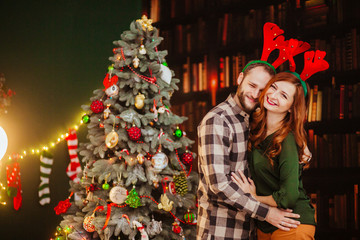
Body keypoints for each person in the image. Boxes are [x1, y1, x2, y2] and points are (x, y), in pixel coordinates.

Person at [197, 62, 301, 240]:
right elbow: (219, 185)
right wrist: (267, 213)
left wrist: (302, 147)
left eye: (262, 90)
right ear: (240, 78)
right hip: (222, 230)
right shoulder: (218, 120)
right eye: (252, 85)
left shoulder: (256, 120)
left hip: (251, 230)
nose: (255, 94)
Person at [231, 71, 317, 239]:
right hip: (265, 224)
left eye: (284, 95)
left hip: (292, 223)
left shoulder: (288, 139)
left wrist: (254, 197)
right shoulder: (254, 126)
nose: (273, 95)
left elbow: (289, 197)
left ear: (292, 107)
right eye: (273, 87)